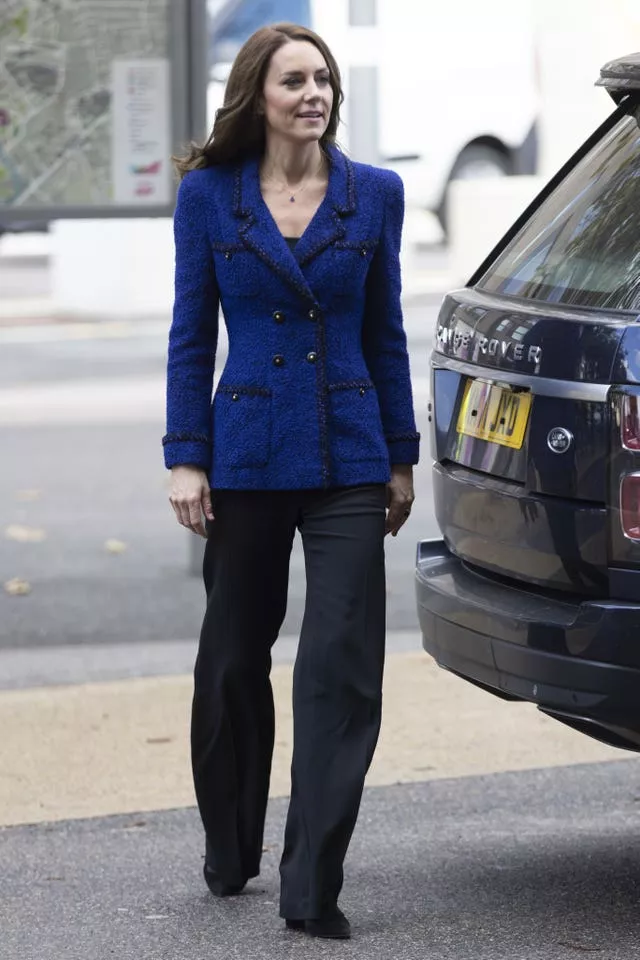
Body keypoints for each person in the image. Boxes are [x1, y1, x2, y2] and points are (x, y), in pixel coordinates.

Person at [163, 21, 419, 940]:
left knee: (341, 666)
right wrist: (185, 455)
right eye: (294, 82)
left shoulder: (374, 195)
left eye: (324, 80)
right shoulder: (209, 197)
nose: (314, 94)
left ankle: (314, 884)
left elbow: (386, 333)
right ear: (256, 97)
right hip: (245, 453)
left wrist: (400, 455)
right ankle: (231, 847)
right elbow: (192, 332)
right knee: (234, 658)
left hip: (350, 452)